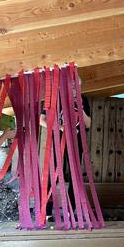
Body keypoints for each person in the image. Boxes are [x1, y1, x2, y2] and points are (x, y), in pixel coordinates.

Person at [40, 77, 91, 211]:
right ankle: (47, 211)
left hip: (76, 143)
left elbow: (88, 124)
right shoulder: (54, 98)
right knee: (54, 174)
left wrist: (81, 108)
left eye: (78, 87)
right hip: (58, 142)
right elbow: (42, 120)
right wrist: (61, 128)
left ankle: (71, 211)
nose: (76, 90)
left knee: (75, 176)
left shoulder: (83, 99)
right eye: (73, 87)